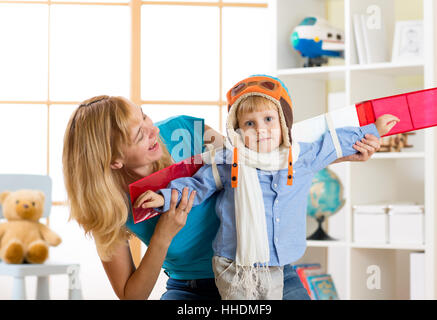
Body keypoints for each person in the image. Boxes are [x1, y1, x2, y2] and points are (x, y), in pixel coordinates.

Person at [62, 93, 382, 300]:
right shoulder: (107, 207)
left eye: (143, 117)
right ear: (114, 160)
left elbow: (252, 157)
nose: (153, 130)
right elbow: (131, 295)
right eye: (138, 134)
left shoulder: (184, 132)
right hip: (192, 289)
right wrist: (163, 236)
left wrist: (341, 154)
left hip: (263, 267)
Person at [135, 75, 399, 299]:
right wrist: (163, 197)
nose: (261, 130)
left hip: (277, 263)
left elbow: (332, 142)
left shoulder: (301, 156)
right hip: (233, 265)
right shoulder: (228, 161)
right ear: (237, 130)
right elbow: (196, 185)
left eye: (269, 120)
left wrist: (373, 129)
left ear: (284, 123)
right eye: (250, 124)